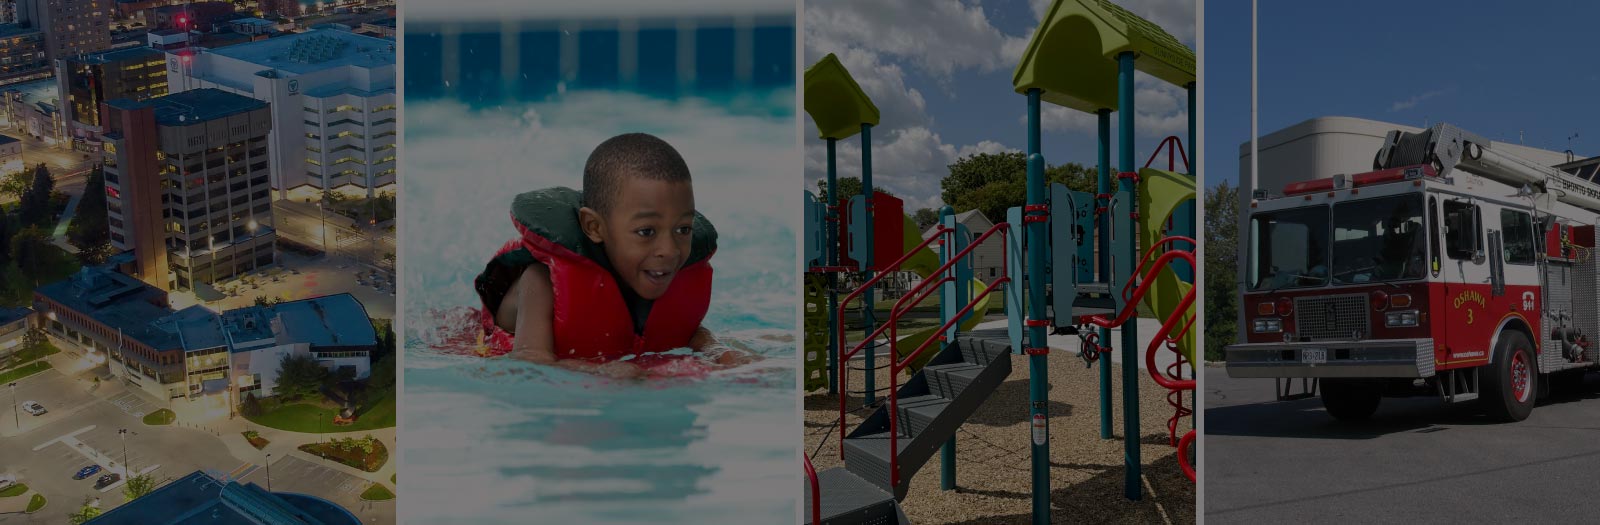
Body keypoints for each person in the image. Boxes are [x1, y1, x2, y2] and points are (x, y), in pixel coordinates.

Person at [474, 133, 754, 378]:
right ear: (594, 227)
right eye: (646, 232)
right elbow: (529, 363)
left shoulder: (657, 271)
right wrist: (594, 371)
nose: (669, 250)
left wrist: (715, 349)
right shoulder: (541, 280)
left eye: (683, 228)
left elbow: (685, 329)